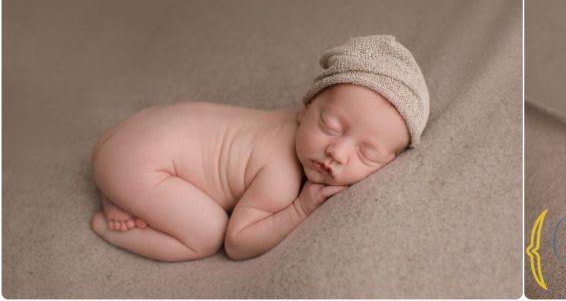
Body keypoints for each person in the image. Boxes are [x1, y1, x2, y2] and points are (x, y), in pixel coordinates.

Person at [90, 35, 430, 261]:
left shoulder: (291, 126)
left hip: (132, 133)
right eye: (330, 127)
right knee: (207, 234)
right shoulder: (280, 172)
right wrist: (300, 208)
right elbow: (237, 243)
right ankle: (112, 223)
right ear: (305, 108)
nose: (337, 153)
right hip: (138, 160)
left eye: (366, 155)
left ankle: (119, 188)